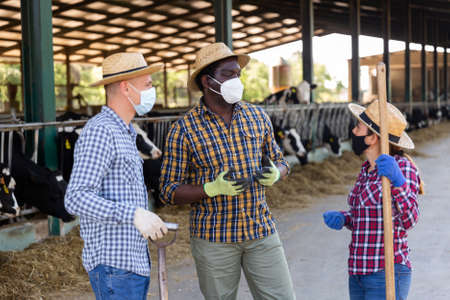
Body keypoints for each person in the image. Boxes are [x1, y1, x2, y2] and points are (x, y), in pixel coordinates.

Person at [159, 42, 296, 300]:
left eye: (238, 74)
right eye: (228, 74)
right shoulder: (184, 129)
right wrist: (209, 189)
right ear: (207, 81)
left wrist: (276, 172)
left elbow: (281, 161)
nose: (236, 80)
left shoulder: (257, 117)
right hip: (214, 239)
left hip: (261, 231)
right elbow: (168, 190)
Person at [65, 52, 168, 300]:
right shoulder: (101, 131)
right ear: (125, 87)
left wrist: (144, 217)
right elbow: (76, 197)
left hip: (131, 262)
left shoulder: (126, 131)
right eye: (147, 85)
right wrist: (132, 214)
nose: (151, 92)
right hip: (114, 266)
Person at [323, 100, 424, 300]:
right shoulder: (366, 170)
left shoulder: (401, 167)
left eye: (358, 127)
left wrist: (399, 183)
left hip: (386, 269)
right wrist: (345, 219)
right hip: (358, 270)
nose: (353, 131)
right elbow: (369, 217)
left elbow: (410, 220)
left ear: (373, 138)